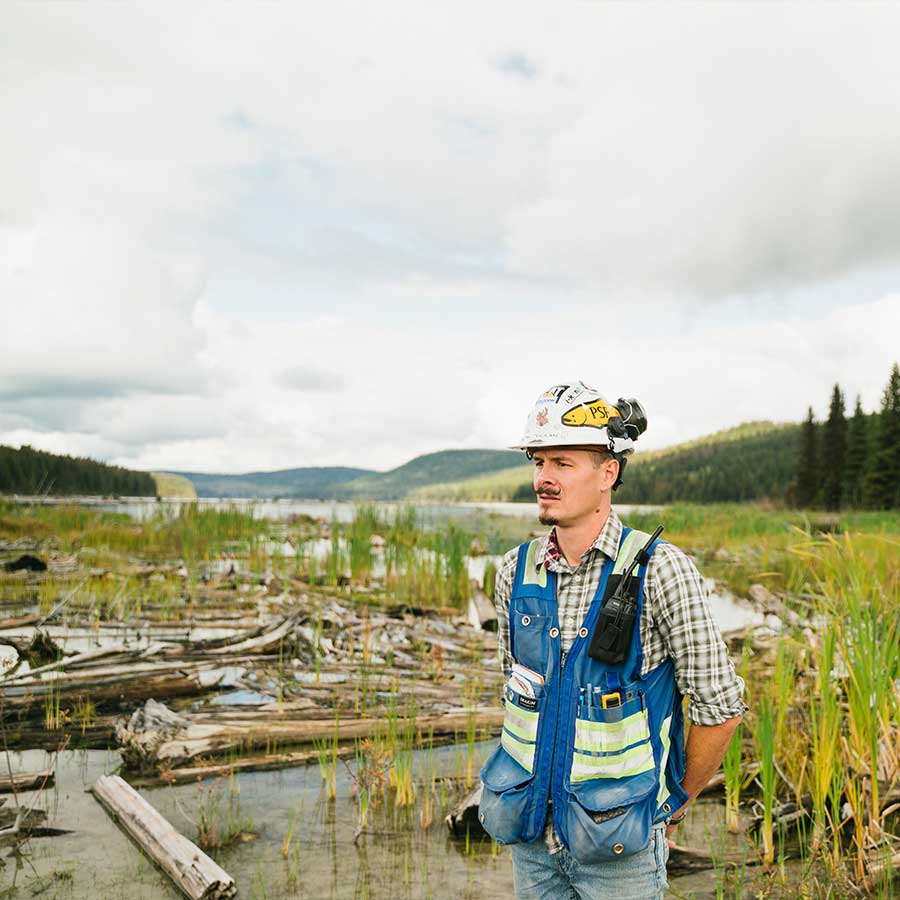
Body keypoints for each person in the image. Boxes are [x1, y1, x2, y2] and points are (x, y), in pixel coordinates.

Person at [479, 381, 745, 900]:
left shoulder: (662, 571)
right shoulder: (515, 570)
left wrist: (673, 806)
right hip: (530, 841)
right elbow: (514, 696)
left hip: (622, 857)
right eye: (539, 462)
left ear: (608, 472)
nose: (544, 478)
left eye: (562, 462)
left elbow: (721, 707)